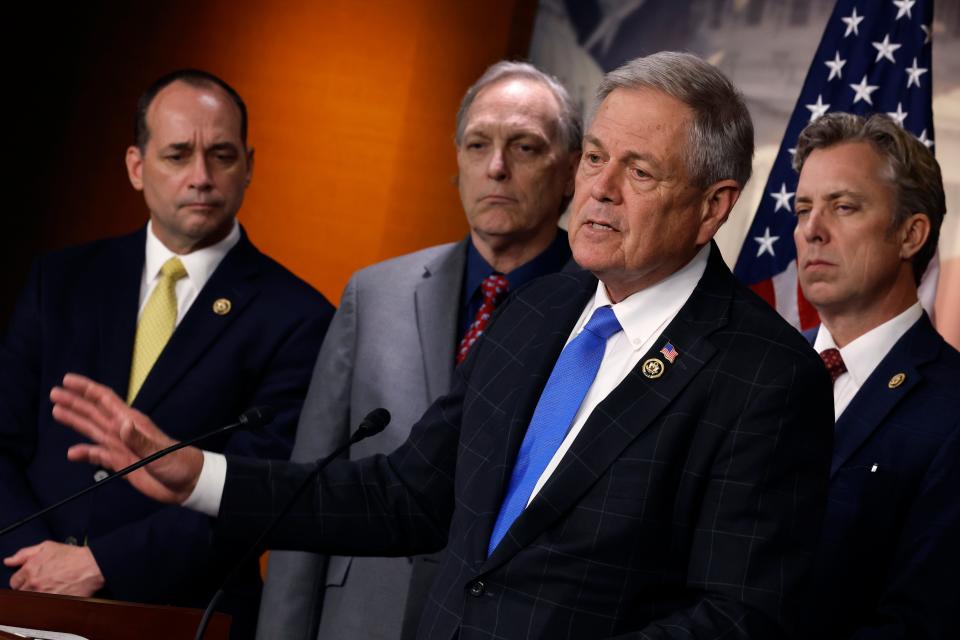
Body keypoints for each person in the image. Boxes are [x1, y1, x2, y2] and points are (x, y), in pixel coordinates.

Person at [52, 52, 834, 639]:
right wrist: (201, 478)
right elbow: (406, 496)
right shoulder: (538, 307)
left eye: (641, 171)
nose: (600, 188)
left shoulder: (764, 374)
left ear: (712, 207)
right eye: (596, 157)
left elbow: (741, 619)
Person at [0, 69, 334, 638]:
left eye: (221, 156)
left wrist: (103, 563)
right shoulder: (59, 281)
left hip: (181, 614)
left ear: (248, 166)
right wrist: (33, 558)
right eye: (178, 155)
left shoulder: (299, 316)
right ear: (137, 166)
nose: (200, 177)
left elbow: (260, 490)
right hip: (22, 596)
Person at [258, 61, 580, 640]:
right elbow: (310, 486)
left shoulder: (599, 311)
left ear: (572, 173)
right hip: (359, 618)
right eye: (477, 144)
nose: (497, 167)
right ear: (457, 161)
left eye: (525, 147)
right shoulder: (373, 293)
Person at [792, 112, 960, 639]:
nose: (812, 230)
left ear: (911, 234)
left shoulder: (952, 409)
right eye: (802, 209)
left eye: (843, 207)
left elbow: (922, 623)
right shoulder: (755, 371)